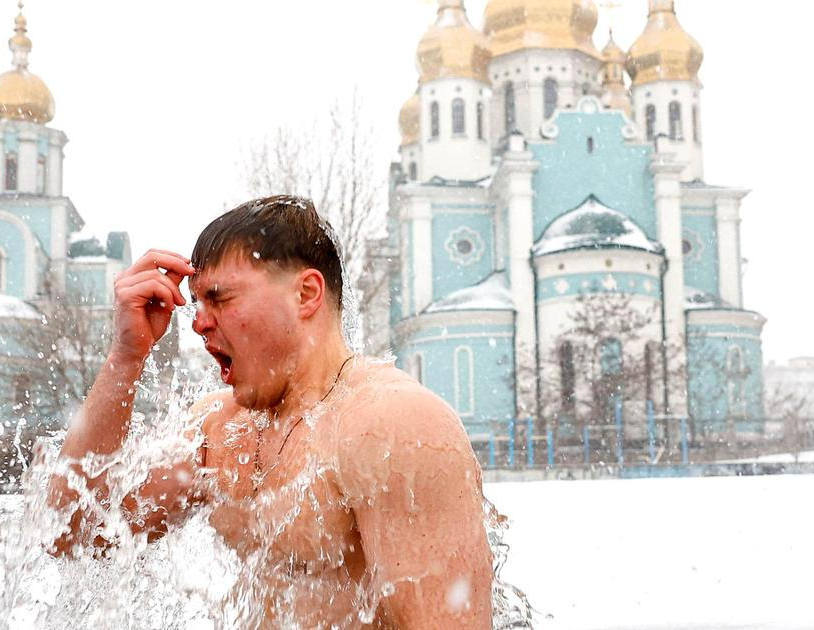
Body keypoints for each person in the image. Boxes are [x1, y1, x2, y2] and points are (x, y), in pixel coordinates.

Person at [44, 195, 493, 628]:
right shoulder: (220, 431)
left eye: (220, 298)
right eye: (197, 302)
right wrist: (126, 358)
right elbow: (76, 538)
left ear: (306, 294)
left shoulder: (392, 425)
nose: (198, 322)